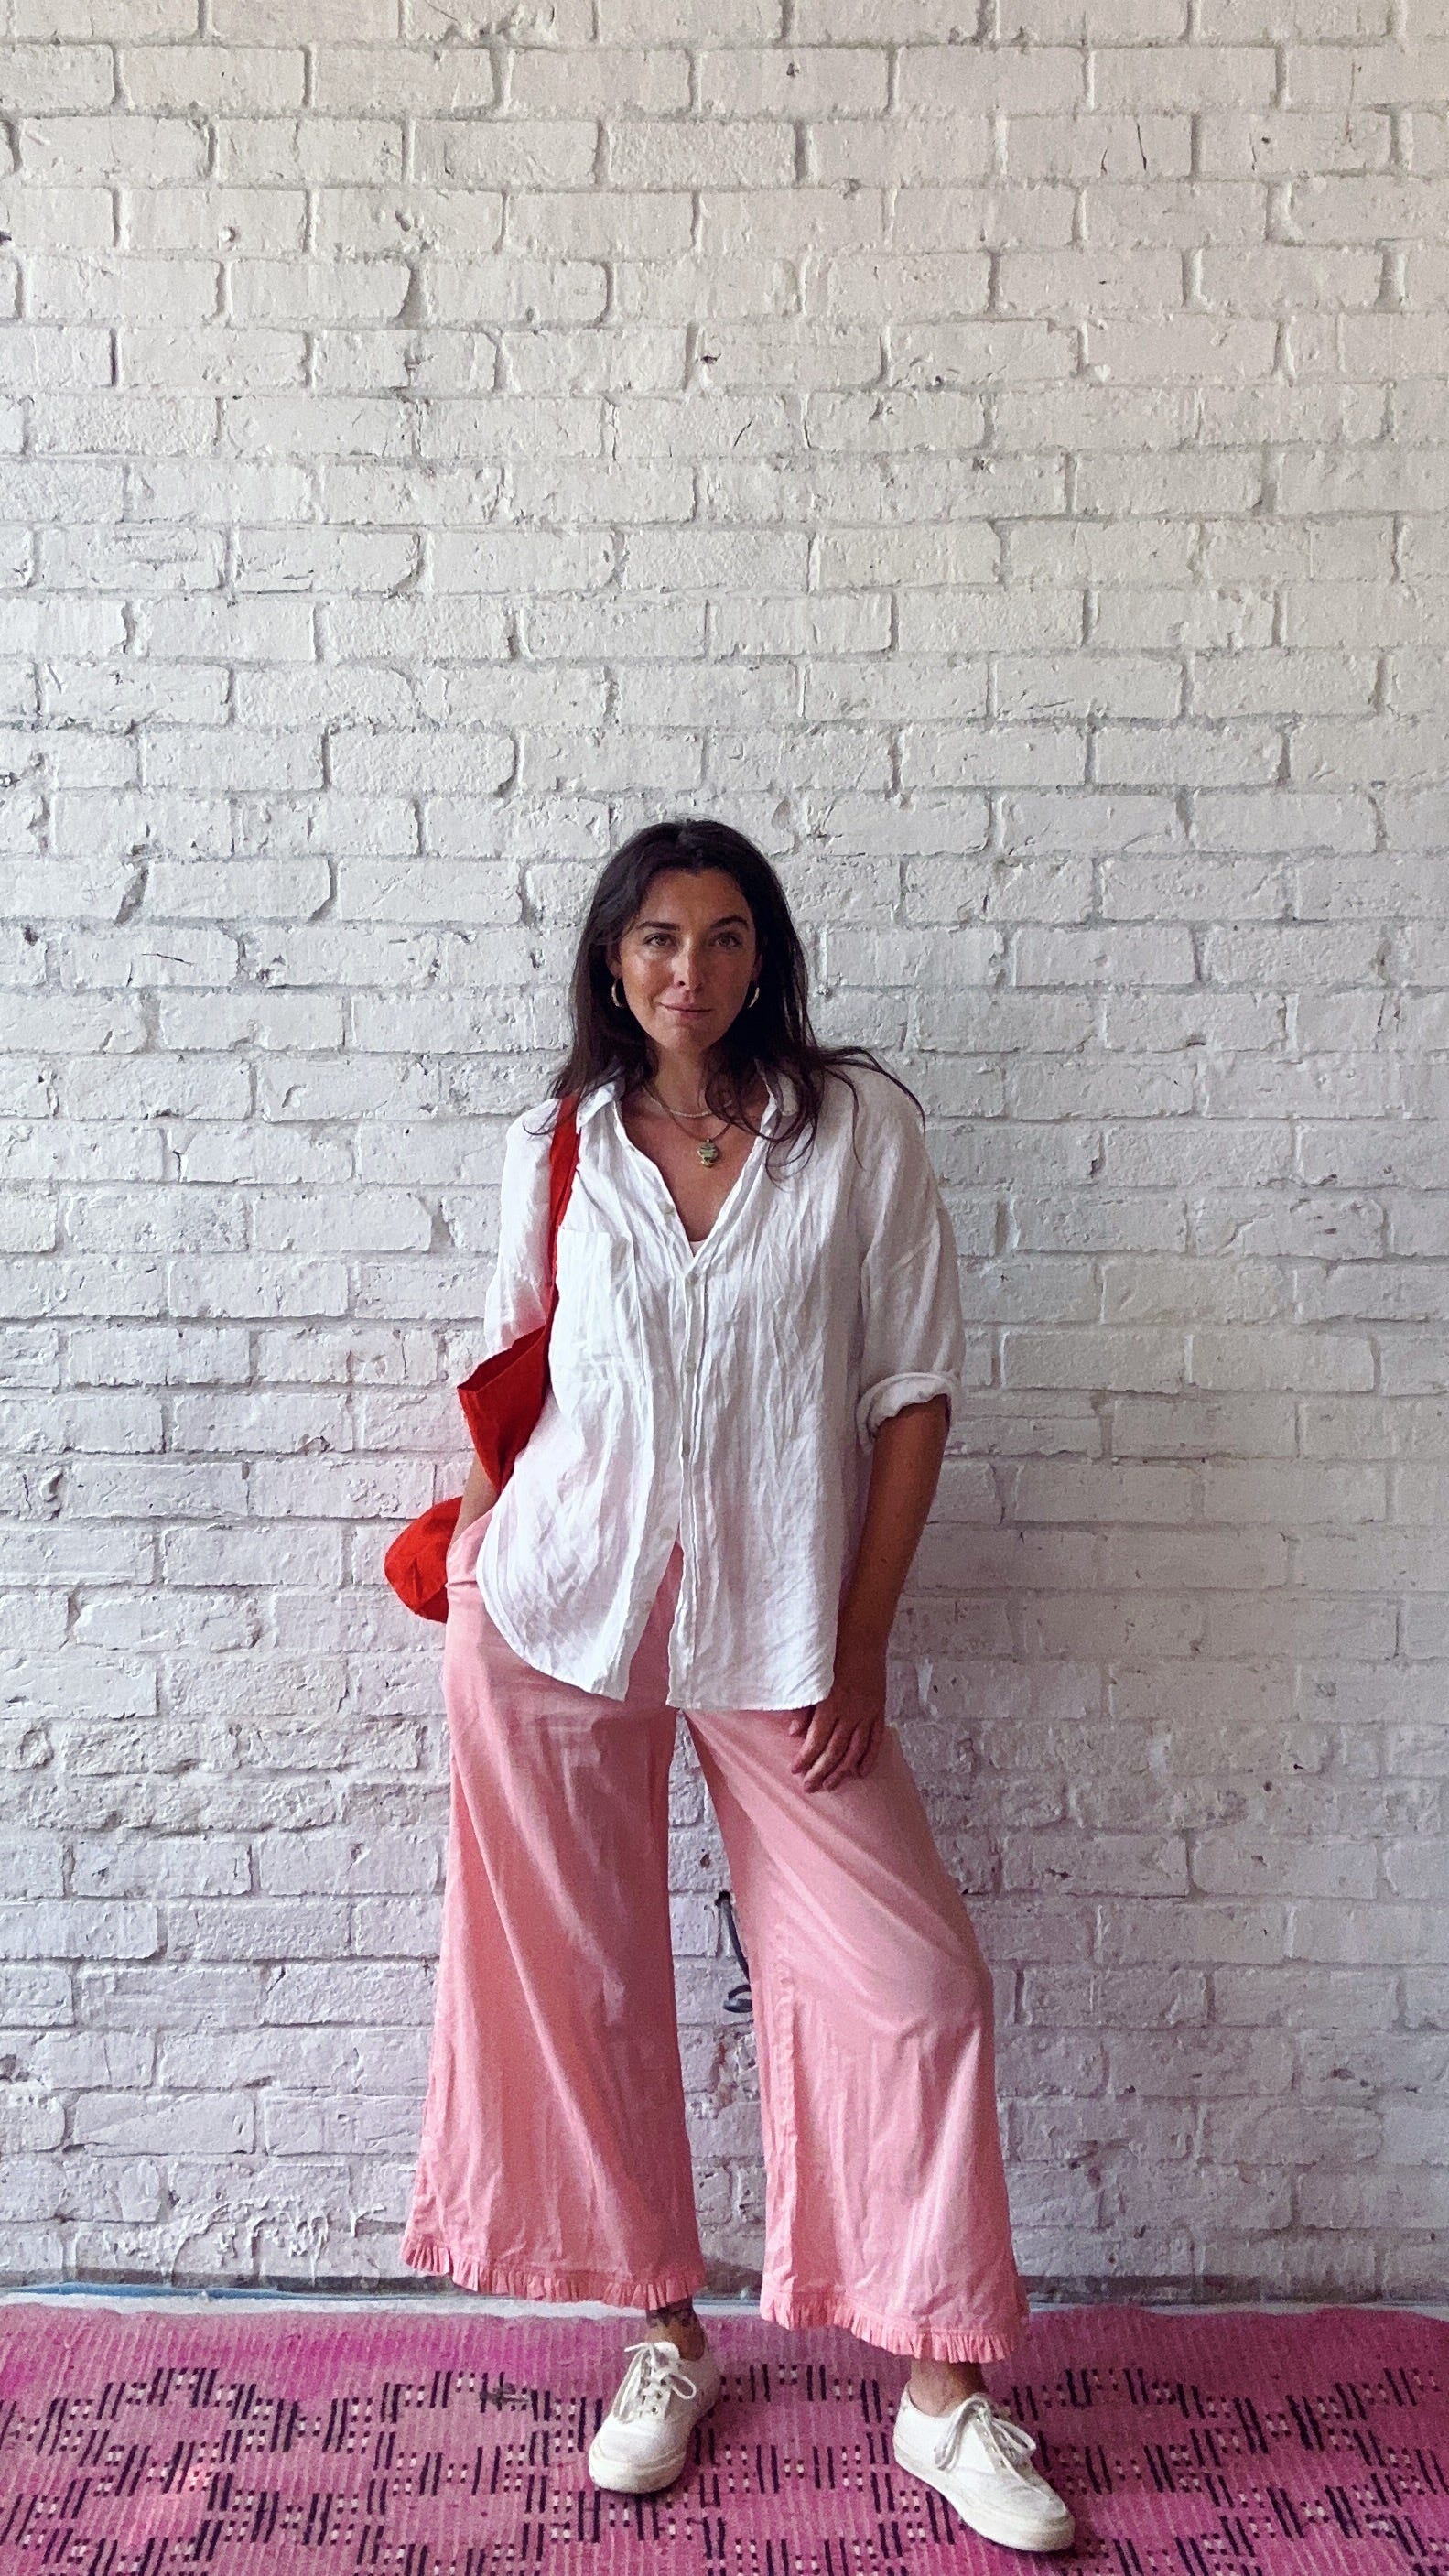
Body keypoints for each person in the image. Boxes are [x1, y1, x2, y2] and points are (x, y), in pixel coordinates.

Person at [400, 817, 1074, 2556]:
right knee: (585, 1978)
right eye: (653, 938)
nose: (684, 968)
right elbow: (514, 1378)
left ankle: (940, 2386)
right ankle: (665, 2332)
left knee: (915, 1986)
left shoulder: (856, 1131)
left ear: (761, 954)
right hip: (557, 1615)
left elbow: (911, 1392)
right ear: (611, 961)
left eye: (717, 935)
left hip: (781, 1630)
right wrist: (471, 1570)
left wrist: (862, 1640)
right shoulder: (557, 1144)